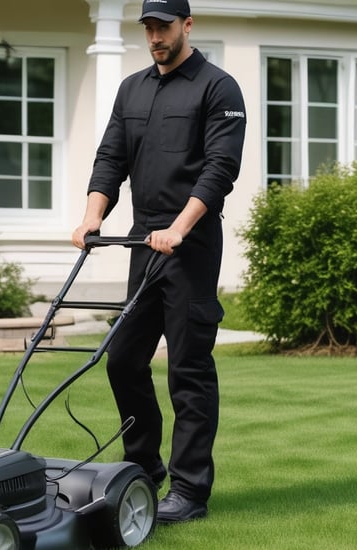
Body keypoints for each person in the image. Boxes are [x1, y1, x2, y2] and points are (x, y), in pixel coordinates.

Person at [72, 0, 246, 523]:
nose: (154, 37)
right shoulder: (133, 89)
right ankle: (142, 470)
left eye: (163, 27)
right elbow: (111, 157)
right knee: (122, 358)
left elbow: (220, 169)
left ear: (187, 25)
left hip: (189, 248)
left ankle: (190, 492)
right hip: (141, 245)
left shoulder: (218, 87)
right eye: (147, 28)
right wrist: (91, 217)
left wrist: (178, 227)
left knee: (188, 370)